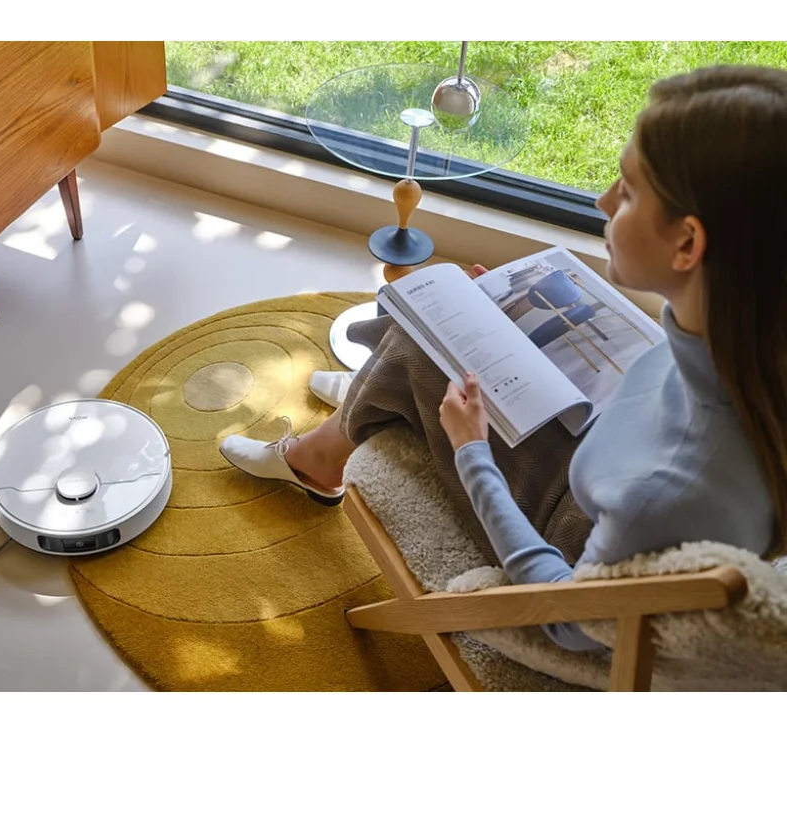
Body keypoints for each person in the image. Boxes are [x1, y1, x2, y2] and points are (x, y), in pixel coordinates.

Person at [219, 65, 787, 652]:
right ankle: (381, 393)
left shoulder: (662, 494)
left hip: (563, 532)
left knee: (427, 337)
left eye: (628, 190)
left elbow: (567, 620)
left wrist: (472, 453)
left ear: (688, 243)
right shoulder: (747, 343)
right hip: (601, 453)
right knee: (461, 312)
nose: (603, 200)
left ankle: (319, 458)